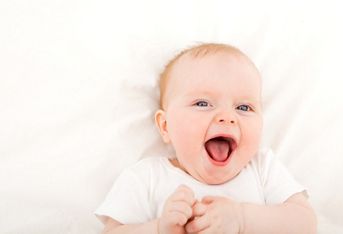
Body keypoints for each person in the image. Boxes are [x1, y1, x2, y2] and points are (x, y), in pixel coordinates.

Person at [95, 43, 317, 233]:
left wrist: (242, 219)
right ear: (165, 126)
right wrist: (158, 228)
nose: (227, 117)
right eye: (202, 104)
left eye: (243, 107)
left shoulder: (262, 168)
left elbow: (306, 223)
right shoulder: (147, 178)